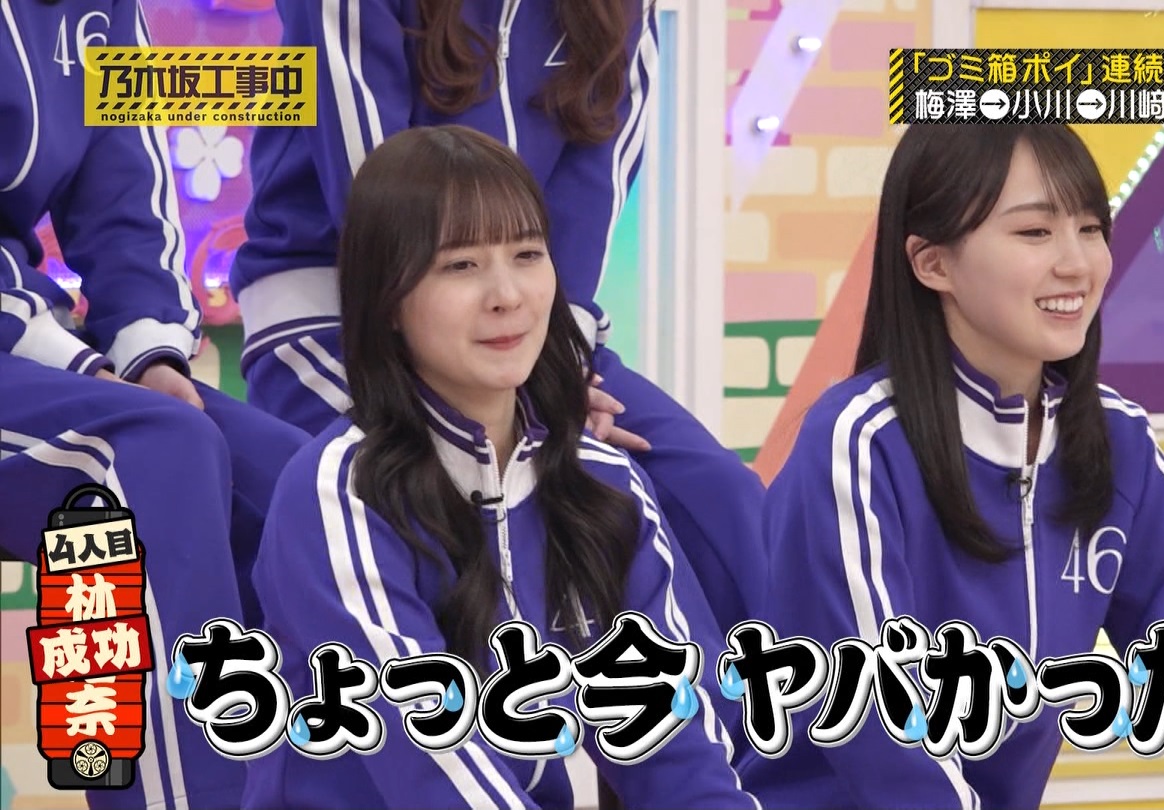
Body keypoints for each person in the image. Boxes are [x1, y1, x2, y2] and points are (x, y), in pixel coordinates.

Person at [738, 124, 1164, 810]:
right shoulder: (858, 440)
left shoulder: (1119, 440)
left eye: (1090, 229)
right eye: (1035, 232)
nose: (1077, 264)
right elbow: (884, 726)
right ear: (933, 264)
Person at [244, 125, 759, 810]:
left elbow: (675, 741)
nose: (507, 295)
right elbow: (432, 761)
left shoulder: (603, 477)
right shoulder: (342, 490)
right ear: (388, 300)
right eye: (460, 265)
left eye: (527, 254)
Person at [230, 0, 767, 635]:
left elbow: (592, 185)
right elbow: (381, 210)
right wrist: (523, 379)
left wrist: (553, 361)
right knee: (452, 495)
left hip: (535, 328)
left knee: (717, 495)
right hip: (340, 315)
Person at [0, 0, 309, 807]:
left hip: (25, 342)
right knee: (146, 458)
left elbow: (127, 208)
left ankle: (294, 788)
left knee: (291, 476)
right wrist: (77, 362)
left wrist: (149, 353)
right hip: (21, 337)